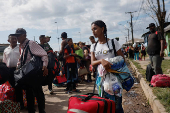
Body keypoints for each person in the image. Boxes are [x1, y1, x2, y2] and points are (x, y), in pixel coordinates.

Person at [90, 20, 124, 113]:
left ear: (102, 29)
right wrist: (101, 61)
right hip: (101, 80)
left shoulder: (113, 42)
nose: (93, 31)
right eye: (92, 29)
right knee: (104, 103)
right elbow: (92, 62)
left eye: (95, 29)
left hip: (115, 79)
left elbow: (122, 59)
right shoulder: (93, 46)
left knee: (117, 104)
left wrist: (110, 62)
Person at [15, 28, 48, 113]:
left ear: (24, 35)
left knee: (38, 93)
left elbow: (44, 54)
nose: (17, 38)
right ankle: (31, 110)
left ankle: (42, 111)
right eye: (16, 36)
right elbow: (22, 59)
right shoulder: (22, 46)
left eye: (18, 35)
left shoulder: (31, 43)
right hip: (27, 75)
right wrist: (18, 65)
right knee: (29, 94)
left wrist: (44, 66)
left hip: (34, 74)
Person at [3, 34, 24, 109]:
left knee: (19, 87)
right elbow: (4, 61)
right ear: (9, 40)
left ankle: (20, 104)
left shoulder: (20, 48)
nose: (14, 40)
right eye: (13, 39)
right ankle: (13, 104)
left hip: (19, 70)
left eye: (15, 39)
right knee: (12, 87)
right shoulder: (6, 50)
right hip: (9, 70)